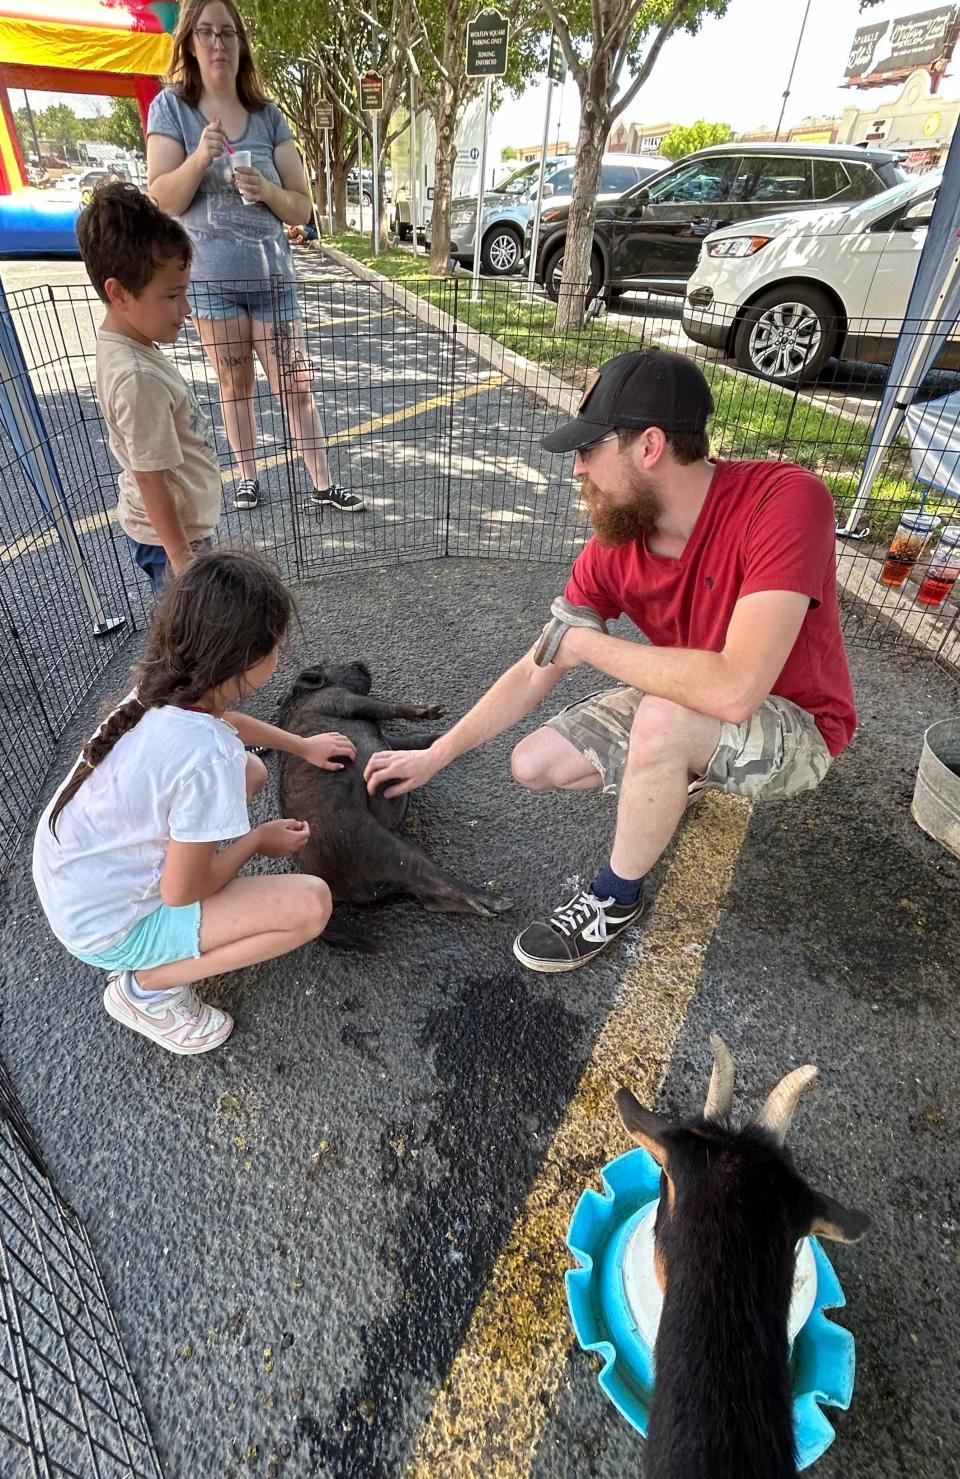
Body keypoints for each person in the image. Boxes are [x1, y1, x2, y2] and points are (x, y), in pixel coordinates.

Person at [364, 348, 857, 974]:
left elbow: (735, 690)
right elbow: (533, 668)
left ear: (648, 446)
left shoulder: (786, 501)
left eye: (588, 450)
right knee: (535, 763)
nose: (577, 470)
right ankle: (684, 768)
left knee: (662, 724)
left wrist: (589, 645)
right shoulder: (615, 547)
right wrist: (436, 754)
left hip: (796, 722)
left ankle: (614, 900)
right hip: (686, 698)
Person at [32, 550, 357, 1055]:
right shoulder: (207, 758)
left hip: (74, 882)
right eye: (276, 647)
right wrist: (254, 842)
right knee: (310, 906)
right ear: (247, 662)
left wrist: (304, 745)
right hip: (107, 927)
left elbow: (223, 727)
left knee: (252, 769)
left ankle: (190, 896)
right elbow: (183, 892)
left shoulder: (161, 687)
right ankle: (146, 989)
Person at [145, 0, 362, 515]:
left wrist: (265, 188)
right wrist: (200, 155)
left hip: (275, 280)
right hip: (212, 282)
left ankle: (322, 482)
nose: (218, 43)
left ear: (241, 44)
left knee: (296, 384)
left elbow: (303, 204)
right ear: (189, 43)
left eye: (227, 33)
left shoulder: (269, 117)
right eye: (206, 33)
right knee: (233, 384)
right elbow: (163, 197)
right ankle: (246, 476)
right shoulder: (171, 109)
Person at [76, 181, 222, 597]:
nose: (186, 309)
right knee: (189, 642)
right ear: (119, 293)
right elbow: (150, 476)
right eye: (173, 296)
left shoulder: (133, 346)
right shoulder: (137, 377)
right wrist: (182, 559)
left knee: (195, 639)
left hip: (177, 534)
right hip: (172, 543)